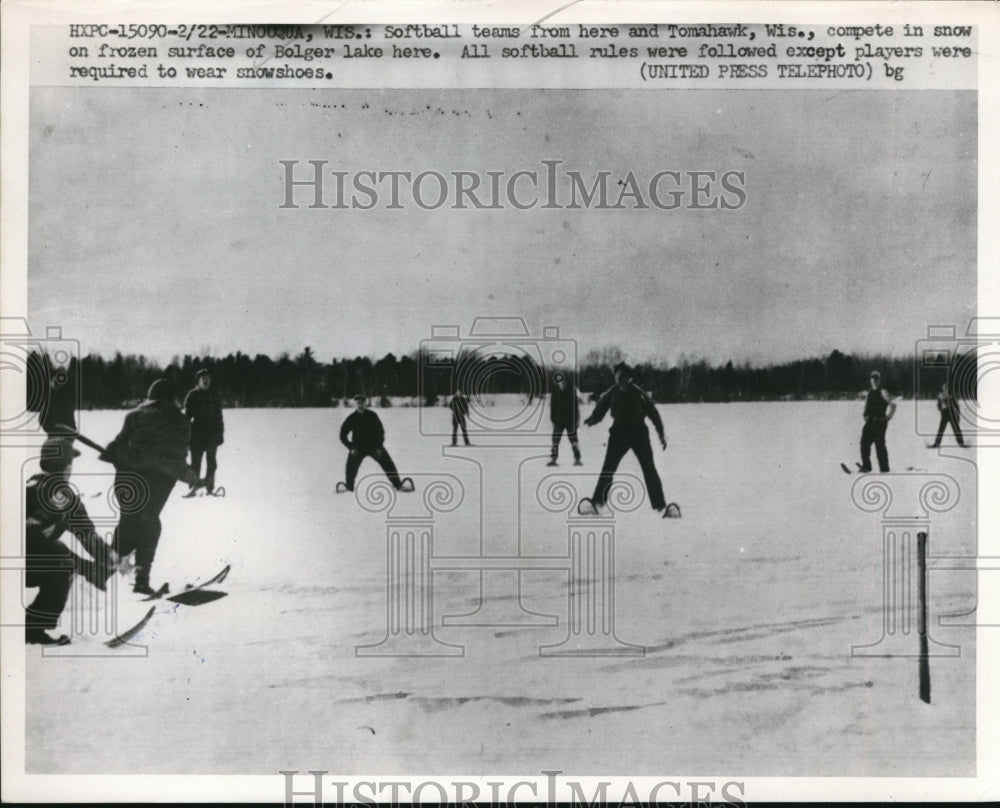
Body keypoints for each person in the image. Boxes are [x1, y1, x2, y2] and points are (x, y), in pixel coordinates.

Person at [100, 379, 199, 595]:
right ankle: (140, 581)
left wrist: (112, 453)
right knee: (149, 526)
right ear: (174, 398)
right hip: (156, 485)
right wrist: (190, 475)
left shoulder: (134, 416)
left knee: (129, 524)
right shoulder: (180, 422)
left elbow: (118, 446)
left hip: (127, 480)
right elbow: (176, 459)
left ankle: (102, 574)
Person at [24, 434, 117, 645]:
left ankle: (33, 625)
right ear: (67, 466)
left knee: (62, 562)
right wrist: (94, 563)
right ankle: (33, 630)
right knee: (61, 560)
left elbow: (86, 534)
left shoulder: (34, 488)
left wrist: (107, 558)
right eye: (70, 463)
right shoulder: (56, 494)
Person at [584, 362, 671, 516]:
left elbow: (653, 413)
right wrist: (591, 420)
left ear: (629, 378)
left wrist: (661, 434)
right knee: (608, 468)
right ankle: (597, 503)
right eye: (618, 376)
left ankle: (661, 507)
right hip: (618, 433)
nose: (620, 379)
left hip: (639, 433)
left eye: (623, 376)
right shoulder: (612, 392)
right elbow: (600, 410)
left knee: (649, 468)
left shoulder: (638, 393)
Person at [340, 395, 404, 491]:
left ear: (365, 404)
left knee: (388, 464)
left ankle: (398, 485)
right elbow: (342, 435)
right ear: (356, 405)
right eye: (358, 403)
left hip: (374, 447)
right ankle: (349, 487)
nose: (360, 405)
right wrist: (351, 448)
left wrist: (378, 447)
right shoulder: (352, 418)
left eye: (362, 403)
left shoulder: (372, 416)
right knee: (350, 467)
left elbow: (380, 432)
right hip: (358, 448)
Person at [183, 369, 225, 495]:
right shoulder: (192, 395)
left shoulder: (215, 395)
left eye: (208, 379)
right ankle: (193, 487)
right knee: (196, 462)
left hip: (212, 434)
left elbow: (219, 416)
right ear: (198, 381)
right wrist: (186, 435)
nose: (206, 381)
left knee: (211, 461)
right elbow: (186, 418)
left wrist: (220, 433)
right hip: (197, 435)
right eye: (203, 379)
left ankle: (210, 488)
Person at [859, 370, 897, 472]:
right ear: (870, 380)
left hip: (880, 422)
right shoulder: (870, 393)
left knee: (879, 445)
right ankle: (866, 466)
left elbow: (893, 405)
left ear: (879, 381)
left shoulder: (883, 392)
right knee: (864, 443)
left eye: (876, 379)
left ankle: (884, 469)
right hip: (870, 422)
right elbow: (866, 406)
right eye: (873, 379)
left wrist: (888, 417)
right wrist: (865, 415)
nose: (874, 381)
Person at [548, 373, 582, 466]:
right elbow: (552, 408)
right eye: (560, 382)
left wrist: (577, 420)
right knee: (555, 440)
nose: (562, 384)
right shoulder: (555, 393)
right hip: (558, 421)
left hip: (570, 421)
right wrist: (553, 420)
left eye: (564, 382)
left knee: (574, 440)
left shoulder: (572, 393)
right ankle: (553, 459)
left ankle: (577, 459)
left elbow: (576, 408)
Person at [931, 380, 965, 448]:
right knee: (942, 429)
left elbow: (956, 405)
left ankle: (961, 442)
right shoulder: (941, 395)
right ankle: (937, 443)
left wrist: (957, 414)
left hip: (951, 412)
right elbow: (939, 405)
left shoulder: (951, 395)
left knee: (956, 428)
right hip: (945, 413)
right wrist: (941, 409)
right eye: (944, 387)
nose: (946, 388)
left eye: (947, 387)